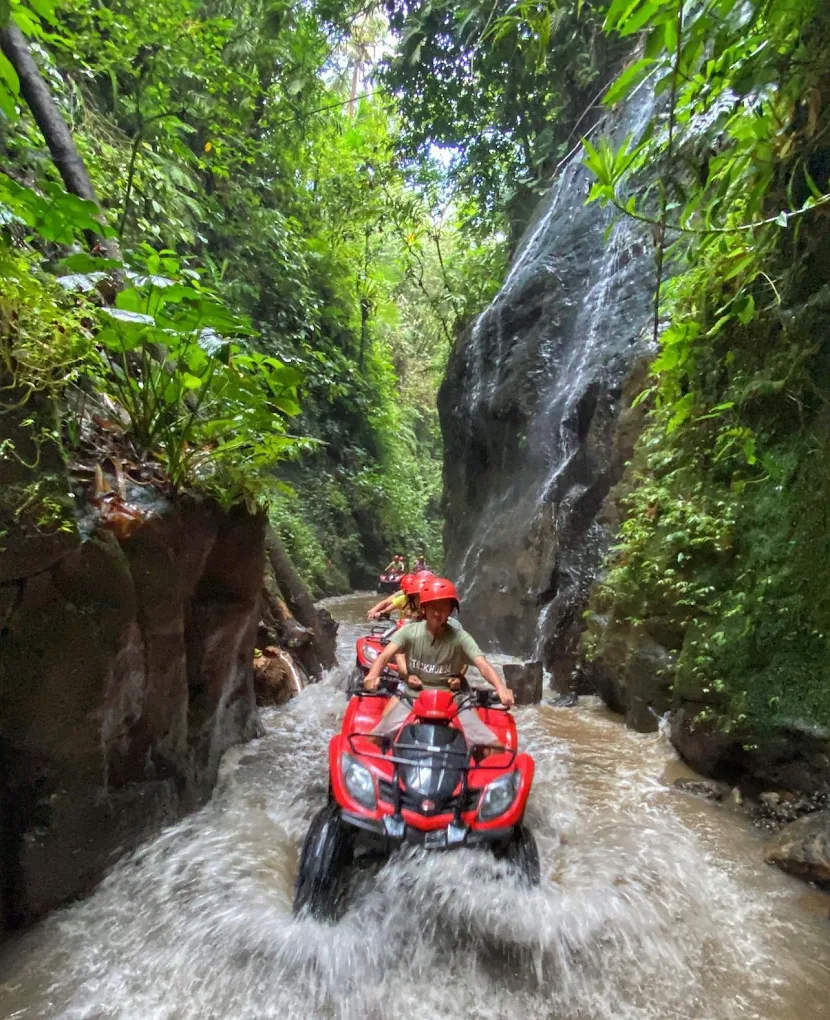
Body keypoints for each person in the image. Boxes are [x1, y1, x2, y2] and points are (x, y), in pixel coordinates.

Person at [363, 577, 514, 747]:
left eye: (444, 607)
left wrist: (500, 687)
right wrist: (372, 675)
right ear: (424, 608)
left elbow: (483, 665)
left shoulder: (461, 638)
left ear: (451, 610)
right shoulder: (409, 631)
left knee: (495, 748)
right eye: (433, 607)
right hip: (412, 696)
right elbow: (385, 656)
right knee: (372, 739)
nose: (438, 613)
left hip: (452, 699)